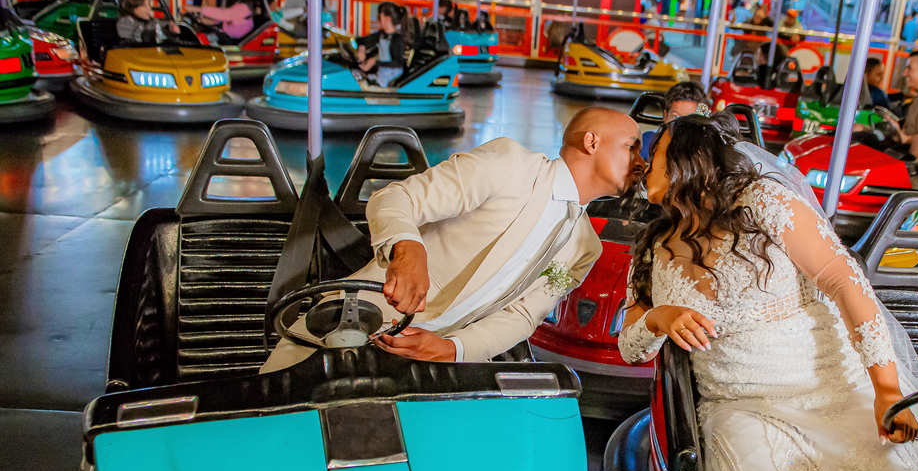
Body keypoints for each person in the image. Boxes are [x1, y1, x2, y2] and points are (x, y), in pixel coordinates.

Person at [617, 114, 918, 471]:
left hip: (828, 390)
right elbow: (631, 348)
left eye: (657, 152)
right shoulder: (652, 247)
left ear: (690, 161)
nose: (646, 164)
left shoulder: (763, 202)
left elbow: (843, 280)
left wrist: (887, 388)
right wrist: (658, 318)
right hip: (739, 408)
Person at [261, 107, 644, 371]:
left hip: (431, 359)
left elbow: (522, 316)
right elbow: (395, 198)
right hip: (361, 317)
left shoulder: (584, 245)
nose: (641, 161)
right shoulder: (510, 166)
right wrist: (408, 249)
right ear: (591, 142)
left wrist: (452, 349)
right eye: (633, 146)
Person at [640, 81, 710, 158]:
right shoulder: (649, 142)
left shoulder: (706, 151)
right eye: (676, 117)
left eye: (690, 118)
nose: (681, 125)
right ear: (665, 116)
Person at [356, 2, 410, 86]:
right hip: (381, 77)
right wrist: (361, 49)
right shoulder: (381, 35)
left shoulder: (398, 39)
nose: (377, 19)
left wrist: (375, 62)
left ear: (387, 18)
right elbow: (362, 40)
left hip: (392, 80)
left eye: (379, 16)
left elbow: (398, 63)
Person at [184, 0, 253, 41]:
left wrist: (199, 9)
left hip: (235, 41)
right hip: (229, 37)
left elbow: (222, 14)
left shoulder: (242, 8)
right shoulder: (237, 8)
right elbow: (218, 20)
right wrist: (200, 20)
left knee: (209, 38)